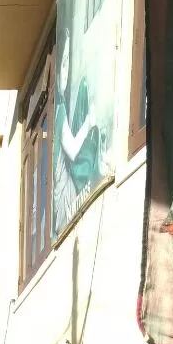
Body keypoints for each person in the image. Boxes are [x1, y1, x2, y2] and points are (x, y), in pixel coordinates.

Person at [53, 26, 101, 236]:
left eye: (67, 64)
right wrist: (89, 122)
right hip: (63, 192)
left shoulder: (61, 105)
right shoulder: (59, 109)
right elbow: (71, 149)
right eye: (62, 65)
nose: (65, 71)